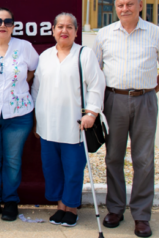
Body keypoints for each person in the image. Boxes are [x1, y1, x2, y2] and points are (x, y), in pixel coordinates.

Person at [94, 0, 159, 238]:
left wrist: (150, 91)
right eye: (120, 5)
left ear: (140, 6)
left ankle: (141, 215)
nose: (124, 9)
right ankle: (115, 209)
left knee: (143, 160)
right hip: (114, 100)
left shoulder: (156, 34)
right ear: (115, 8)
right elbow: (96, 72)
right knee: (113, 158)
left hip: (145, 101)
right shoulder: (104, 34)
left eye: (130, 4)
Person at [31, 12, 105, 228]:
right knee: (51, 168)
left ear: (76, 31)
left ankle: (71, 208)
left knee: (73, 169)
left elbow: (97, 85)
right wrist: (37, 120)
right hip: (48, 125)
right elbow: (36, 89)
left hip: (75, 125)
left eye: (69, 27)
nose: (64, 30)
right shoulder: (45, 56)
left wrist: (91, 113)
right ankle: (60, 206)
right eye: (60, 27)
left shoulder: (85, 54)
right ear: (53, 30)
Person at [0, 7, 39, 221]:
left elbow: (34, 71)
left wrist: (17, 87)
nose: (3, 25)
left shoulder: (25, 47)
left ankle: (10, 201)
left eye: (8, 21)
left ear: (13, 25)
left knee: (13, 160)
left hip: (19, 115)